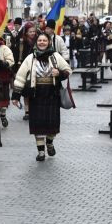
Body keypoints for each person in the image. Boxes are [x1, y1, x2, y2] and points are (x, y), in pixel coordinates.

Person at [12, 32, 71, 161]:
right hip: (36, 95)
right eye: (39, 40)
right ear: (36, 42)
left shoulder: (56, 56)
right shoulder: (30, 58)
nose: (42, 43)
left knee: (52, 124)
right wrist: (15, 96)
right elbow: (20, 77)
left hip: (52, 95)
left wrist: (59, 73)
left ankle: (49, 143)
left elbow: (68, 70)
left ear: (49, 42)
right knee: (37, 125)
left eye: (44, 40)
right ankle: (41, 152)